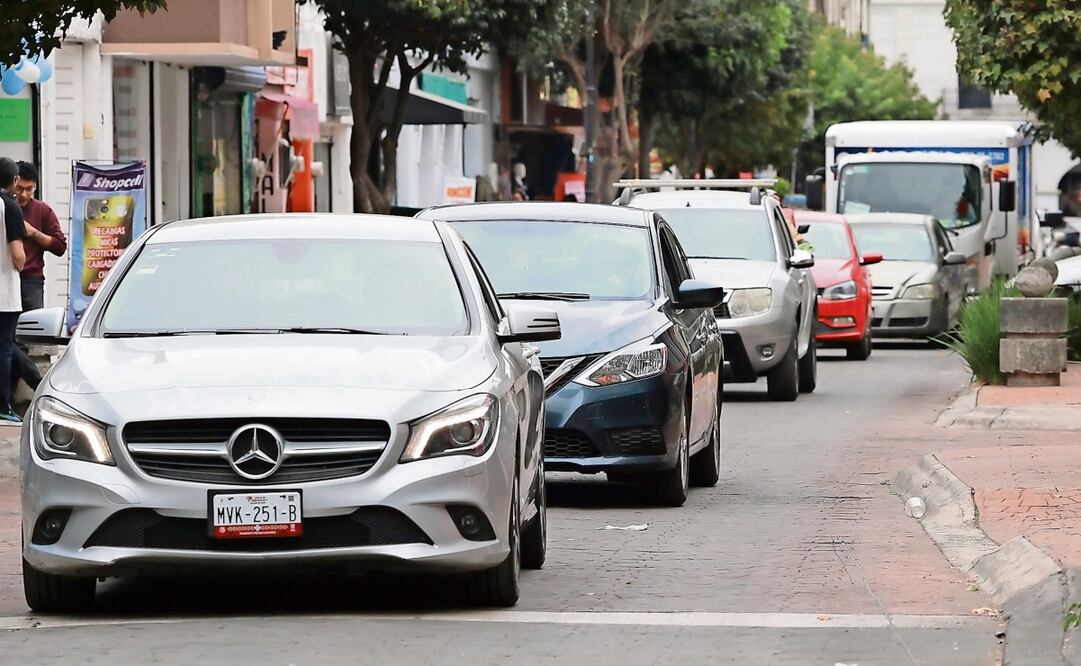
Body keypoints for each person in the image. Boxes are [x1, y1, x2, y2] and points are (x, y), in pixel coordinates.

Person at [12, 162, 66, 397]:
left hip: (31, 280)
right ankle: (37, 383)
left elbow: (59, 246)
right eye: (20, 188)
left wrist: (33, 232)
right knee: (8, 341)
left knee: (21, 340)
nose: (24, 195)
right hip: (7, 279)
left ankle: (10, 401)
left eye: (29, 189)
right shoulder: (5, 207)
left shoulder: (42, 210)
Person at [0, 158, 27, 423]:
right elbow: (18, 255)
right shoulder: (10, 207)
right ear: (15, 180)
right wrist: (21, 263)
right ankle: (3, 406)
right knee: (4, 350)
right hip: (4, 293)